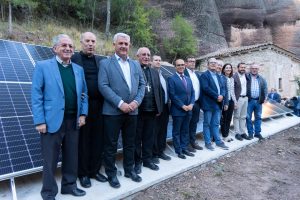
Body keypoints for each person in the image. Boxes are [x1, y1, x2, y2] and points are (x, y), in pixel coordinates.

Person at [31, 34, 88, 199]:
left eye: (70, 46)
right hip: (50, 122)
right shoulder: (42, 66)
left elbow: (84, 93)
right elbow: (36, 95)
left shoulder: (78, 70)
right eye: (64, 45)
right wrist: (40, 120)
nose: (68, 48)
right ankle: (48, 192)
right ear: (55, 48)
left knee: (72, 157)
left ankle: (69, 186)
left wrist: (83, 114)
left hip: (73, 121)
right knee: (50, 161)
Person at [98, 33, 145, 188]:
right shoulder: (105, 63)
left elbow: (142, 85)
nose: (124, 46)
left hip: (133, 111)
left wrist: (136, 102)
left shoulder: (136, 65)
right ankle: (111, 174)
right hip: (113, 111)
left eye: (126, 43)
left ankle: (129, 170)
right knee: (110, 145)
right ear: (114, 45)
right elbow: (103, 86)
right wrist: (120, 103)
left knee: (130, 143)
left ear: (129, 45)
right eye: (121, 43)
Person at [71, 32, 107, 188]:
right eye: (87, 41)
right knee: (83, 142)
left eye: (93, 41)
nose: (90, 44)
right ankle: (83, 173)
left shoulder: (101, 61)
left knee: (98, 140)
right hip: (81, 107)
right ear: (81, 42)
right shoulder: (73, 59)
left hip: (100, 106)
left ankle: (95, 171)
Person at [134, 48, 163, 174]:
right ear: (138, 56)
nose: (146, 57)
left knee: (149, 137)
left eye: (148, 55)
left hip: (152, 111)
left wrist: (159, 108)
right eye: (143, 54)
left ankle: (147, 159)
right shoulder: (133, 70)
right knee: (136, 138)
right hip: (138, 111)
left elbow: (159, 91)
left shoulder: (154, 72)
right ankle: (137, 162)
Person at [200, 58, 229, 151]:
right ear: (208, 65)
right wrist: (217, 96)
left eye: (215, 63)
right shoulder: (204, 75)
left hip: (218, 104)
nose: (213, 64)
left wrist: (222, 96)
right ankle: (208, 143)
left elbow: (224, 88)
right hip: (209, 104)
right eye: (211, 63)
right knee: (207, 124)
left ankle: (218, 141)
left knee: (216, 124)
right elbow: (205, 88)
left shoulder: (219, 76)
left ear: (217, 65)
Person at [168, 59, 195, 159]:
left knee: (185, 130)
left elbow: (193, 92)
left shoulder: (188, 78)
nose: (181, 66)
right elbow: (172, 95)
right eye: (178, 65)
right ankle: (178, 151)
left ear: (185, 66)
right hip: (178, 111)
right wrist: (182, 106)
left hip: (189, 110)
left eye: (182, 65)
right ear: (175, 67)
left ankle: (184, 148)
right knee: (177, 131)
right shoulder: (171, 79)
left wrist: (192, 104)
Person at [151, 55, 172, 163]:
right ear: (151, 62)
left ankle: (161, 151)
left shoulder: (163, 75)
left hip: (165, 108)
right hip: (155, 109)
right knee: (154, 131)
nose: (158, 62)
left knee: (163, 131)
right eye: (156, 60)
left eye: (160, 60)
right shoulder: (149, 74)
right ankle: (154, 154)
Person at [184, 56, 203, 151]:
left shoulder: (196, 75)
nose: (192, 63)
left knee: (194, 123)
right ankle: (186, 144)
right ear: (186, 63)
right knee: (187, 124)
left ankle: (193, 141)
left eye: (194, 61)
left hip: (196, 103)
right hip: (188, 104)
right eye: (190, 61)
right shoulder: (184, 73)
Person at [246, 63, 268, 140]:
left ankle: (257, 133)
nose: (254, 70)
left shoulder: (262, 79)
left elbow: (265, 89)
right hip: (249, 101)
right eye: (252, 68)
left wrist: (265, 97)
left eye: (256, 68)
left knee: (258, 117)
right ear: (250, 69)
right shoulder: (247, 77)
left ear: (258, 69)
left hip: (259, 101)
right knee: (248, 117)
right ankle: (250, 133)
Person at [233, 63, 250, 141]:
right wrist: (234, 101)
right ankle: (237, 133)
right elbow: (232, 90)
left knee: (243, 116)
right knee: (237, 116)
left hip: (245, 98)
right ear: (238, 68)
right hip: (238, 98)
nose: (243, 68)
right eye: (241, 67)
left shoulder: (246, 76)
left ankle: (243, 132)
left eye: (244, 67)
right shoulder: (234, 77)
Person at [220, 63, 237, 142]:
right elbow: (223, 91)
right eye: (226, 68)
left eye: (230, 68)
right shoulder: (221, 78)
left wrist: (235, 102)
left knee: (229, 119)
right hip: (225, 101)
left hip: (231, 101)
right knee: (224, 119)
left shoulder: (232, 79)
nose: (228, 69)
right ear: (223, 69)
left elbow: (232, 91)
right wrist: (225, 102)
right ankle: (224, 135)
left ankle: (226, 134)